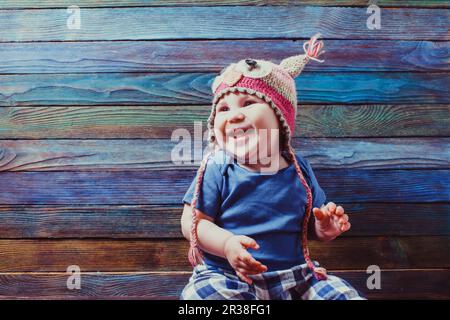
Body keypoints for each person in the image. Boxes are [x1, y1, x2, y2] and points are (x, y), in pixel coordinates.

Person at [180, 34, 365, 300]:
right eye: (223, 109)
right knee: (200, 297)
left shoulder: (299, 170)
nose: (234, 115)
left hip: (296, 277)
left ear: (280, 119)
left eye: (248, 103)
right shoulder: (218, 166)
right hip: (228, 276)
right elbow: (192, 223)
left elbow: (311, 225)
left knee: (340, 294)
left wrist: (324, 229)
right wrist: (227, 244)